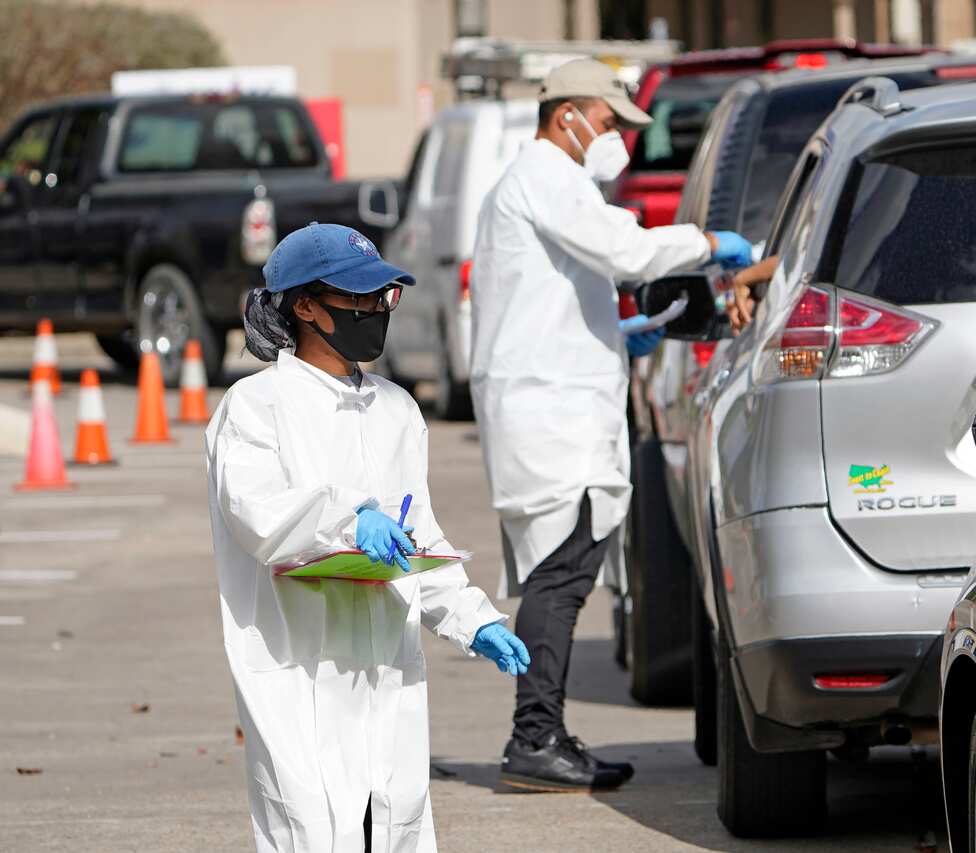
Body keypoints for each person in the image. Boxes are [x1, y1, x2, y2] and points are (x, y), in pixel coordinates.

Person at [469, 58, 753, 792]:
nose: (615, 136)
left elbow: (555, 296)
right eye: (608, 120)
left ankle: (544, 732)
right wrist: (708, 243)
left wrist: (621, 333)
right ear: (567, 114)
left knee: (561, 572)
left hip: (554, 398)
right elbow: (625, 252)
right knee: (560, 576)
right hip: (549, 410)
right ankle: (533, 738)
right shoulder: (544, 178)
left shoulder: (544, 185)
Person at [206, 222, 530, 852]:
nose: (376, 312)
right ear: (304, 306)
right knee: (311, 823)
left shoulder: (396, 410)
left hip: (385, 666)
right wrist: (348, 519)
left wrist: (472, 618)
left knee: (393, 819)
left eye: (384, 297)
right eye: (358, 298)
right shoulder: (255, 406)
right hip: (298, 664)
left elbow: (419, 538)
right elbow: (256, 512)